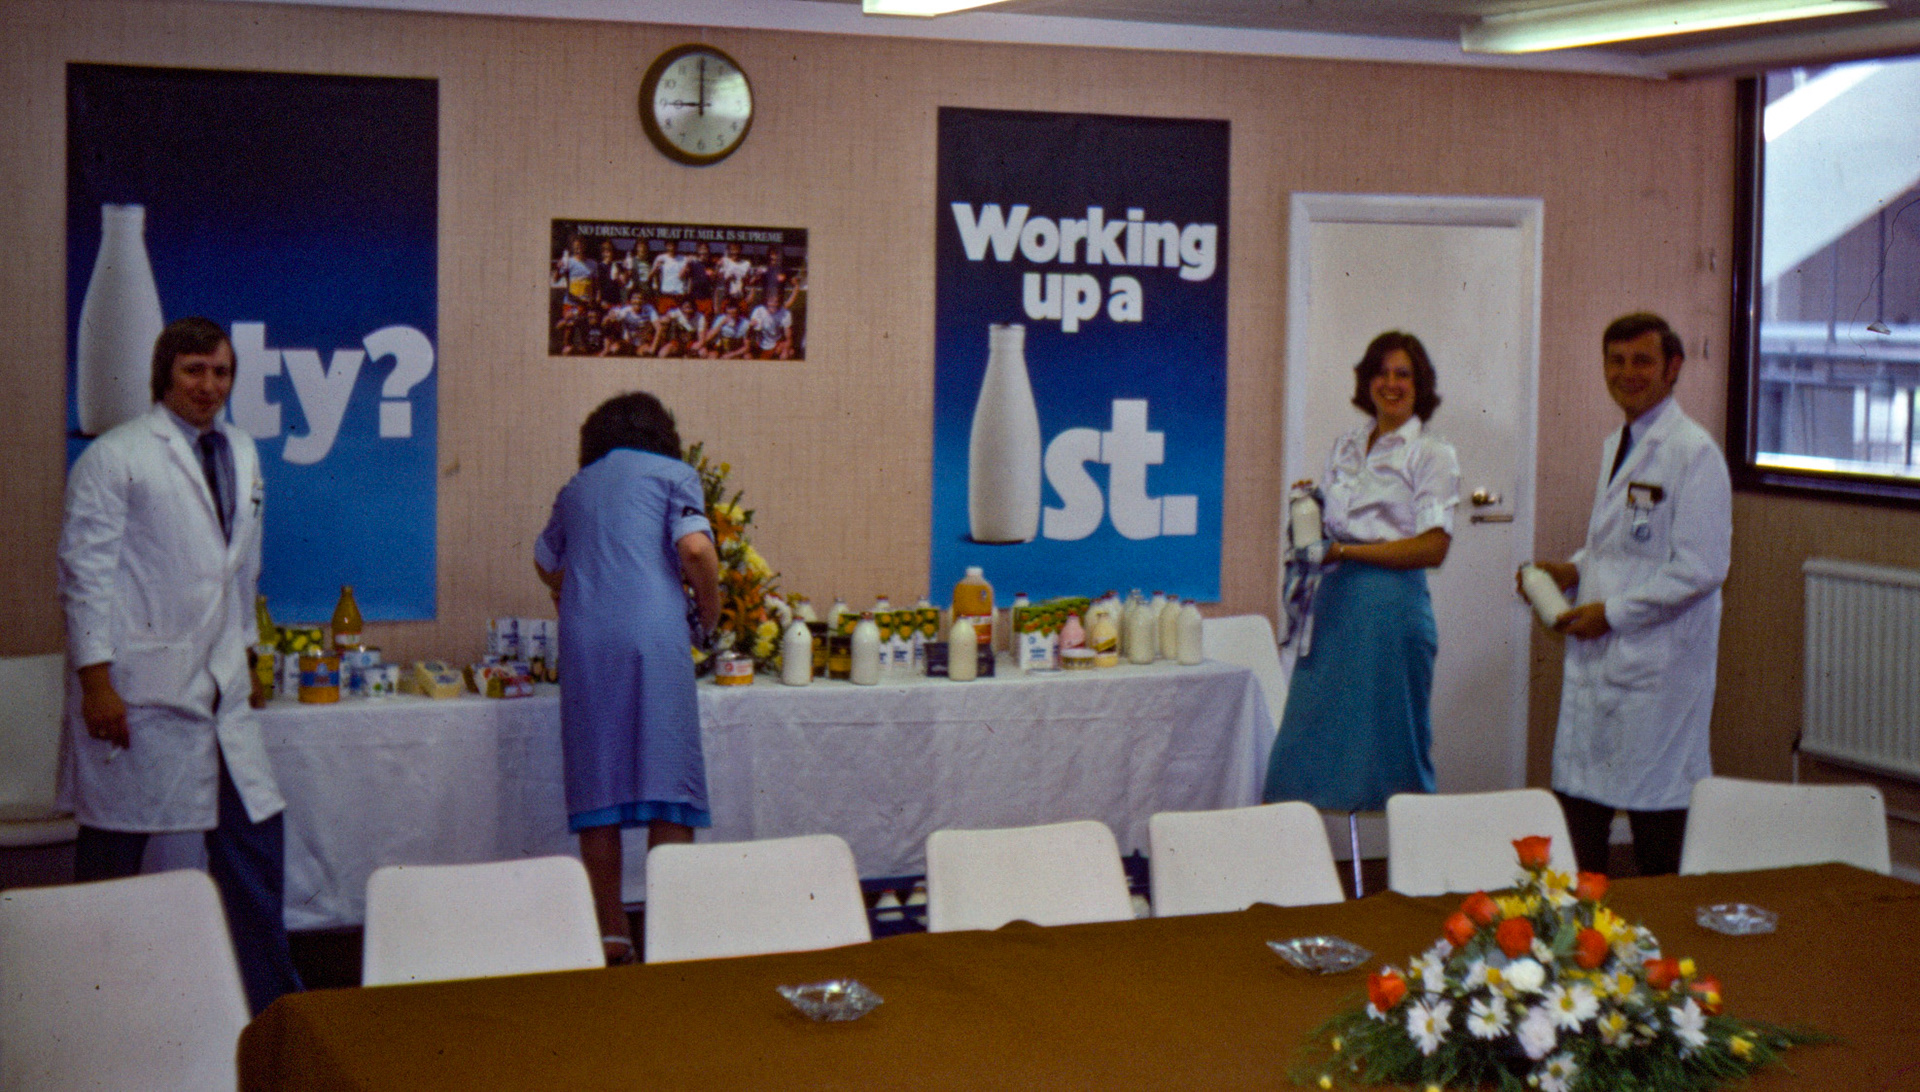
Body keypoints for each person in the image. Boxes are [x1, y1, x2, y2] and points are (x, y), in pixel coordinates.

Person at [57, 316, 302, 1014]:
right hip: (137, 690)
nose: (209, 385)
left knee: (254, 839)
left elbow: (241, 567)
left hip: (220, 681)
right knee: (114, 852)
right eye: (194, 370)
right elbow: (84, 576)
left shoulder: (244, 451)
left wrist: (251, 653)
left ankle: (269, 1007)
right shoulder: (117, 455)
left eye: (221, 372)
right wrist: (96, 681)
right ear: (164, 375)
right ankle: (88, 1002)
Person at [1523, 313, 1731, 876]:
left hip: (1657, 675)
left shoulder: (1694, 453)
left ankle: (1669, 960)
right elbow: (1623, 548)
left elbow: (1701, 567)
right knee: (1581, 825)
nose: (1627, 373)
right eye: (1616, 361)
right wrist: (1572, 568)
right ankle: (1581, 950)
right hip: (1606, 663)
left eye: (1642, 360)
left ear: (1673, 368)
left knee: (1659, 836)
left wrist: (1611, 614)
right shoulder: (1620, 442)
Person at [535, 393, 721, 965]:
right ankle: (670, 932)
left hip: (587, 639)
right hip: (656, 637)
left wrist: (573, 590)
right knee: (669, 783)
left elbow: (545, 559)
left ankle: (611, 935)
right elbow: (695, 549)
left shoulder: (577, 486)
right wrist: (710, 615)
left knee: (600, 785)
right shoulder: (676, 475)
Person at [1263, 331, 1460, 813]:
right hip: (1333, 606)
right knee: (1309, 742)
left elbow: (1433, 546)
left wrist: (1347, 552)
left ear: (1421, 385)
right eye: (1381, 372)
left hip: (1390, 611)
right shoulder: (1346, 445)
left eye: (1403, 374)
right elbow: (1328, 527)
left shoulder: (1432, 453)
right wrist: (1308, 509)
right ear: (1367, 381)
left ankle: (1418, 876)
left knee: (1394, 750)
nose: (1390, 383)